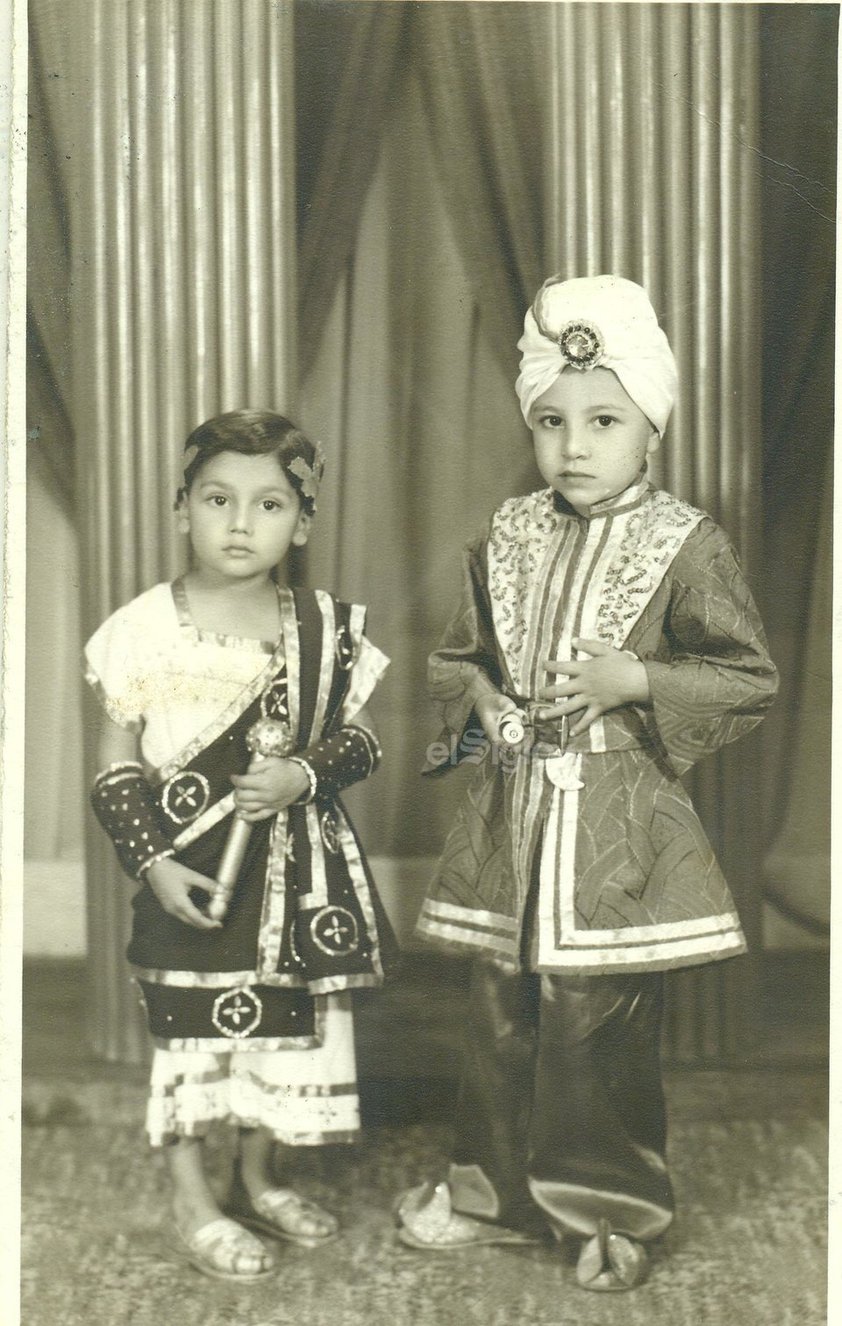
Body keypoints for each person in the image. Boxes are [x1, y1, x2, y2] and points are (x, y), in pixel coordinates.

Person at [395, 275, 778, 1290]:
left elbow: (744, 678)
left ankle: (607, 1210)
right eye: (551, 421)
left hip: (613, 829)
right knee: (497, 1012)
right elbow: (457, 656)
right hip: (510, 823)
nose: (573, 445)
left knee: (594, 1022)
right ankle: (490, 1194)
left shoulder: (685, 543)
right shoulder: (506, 533)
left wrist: (636, 678)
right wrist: (476, 698)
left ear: (648, 429)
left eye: (602, 421)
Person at [85, 409, 392, 1283]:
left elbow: (364, 740)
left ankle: (258, 1177)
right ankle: (194, 1199)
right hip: (191, 873)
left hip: (295, 877)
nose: (240, 523)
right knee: (192, 1037)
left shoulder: (325, 627)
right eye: (218, 499)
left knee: (286, 1027)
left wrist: (304, 775)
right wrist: (154, 860)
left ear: (303, 521)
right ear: (182, 507)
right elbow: (113, 770)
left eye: (268, 505)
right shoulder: (143, 627)